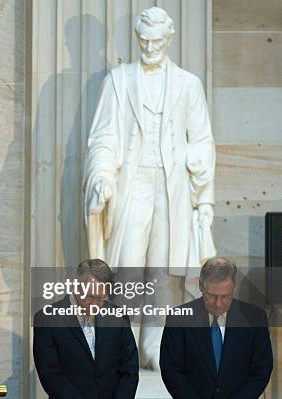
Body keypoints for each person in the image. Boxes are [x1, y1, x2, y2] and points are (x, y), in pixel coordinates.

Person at [84, 6, 216, 369]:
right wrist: (101, 175)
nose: (150, 47)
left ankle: (154, 348)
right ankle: (119, 343)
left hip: (173, 187)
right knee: (127, 268)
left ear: (169, 39)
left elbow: (203, 141)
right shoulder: (119, 80)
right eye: (143, 40)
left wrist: (204, 200)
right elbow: (103, 136)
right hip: (132, 183)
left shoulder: (188, 84)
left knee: (164, 271)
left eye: (157, 41)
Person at [160, 257, 273, 399]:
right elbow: (171, 369)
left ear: (234, 288)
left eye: (225, 296)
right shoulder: (179, 318)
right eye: (211, 296)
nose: (218, 303)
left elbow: (261, 370)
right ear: (201, 286)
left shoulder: (254, 317)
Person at [33, 259, 139, 399]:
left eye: (101, 298)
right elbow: (51, 376)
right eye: (90, 297)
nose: (96, 304)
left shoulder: (118, 316)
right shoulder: (47, 319)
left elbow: (129, 371)